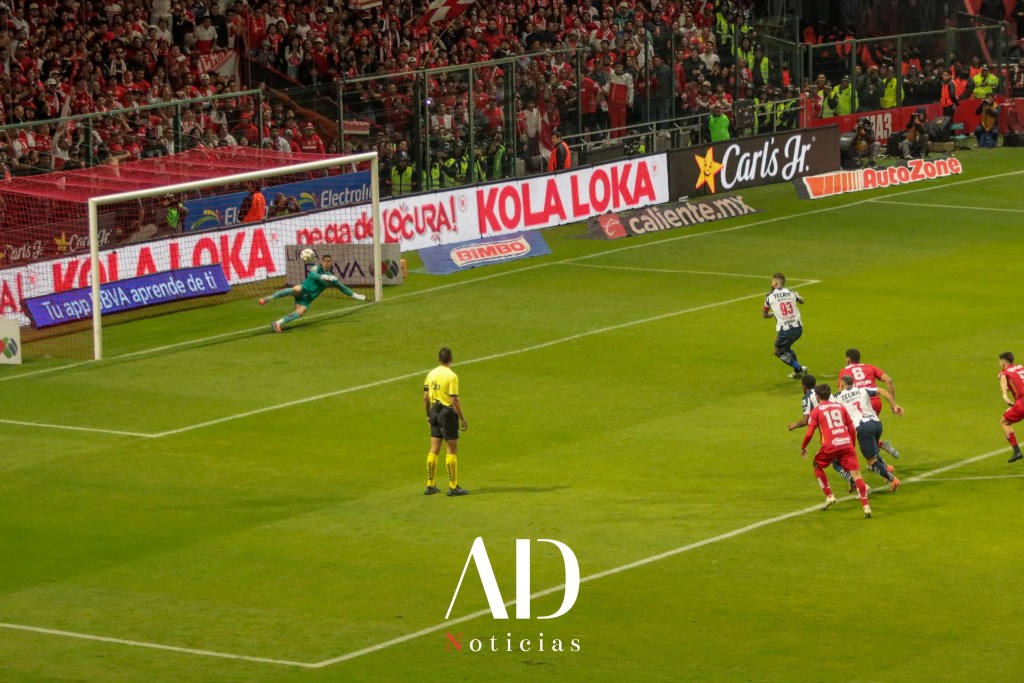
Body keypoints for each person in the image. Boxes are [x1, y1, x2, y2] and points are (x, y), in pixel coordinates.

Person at [800, 384, 873, 518]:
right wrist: (851, 445)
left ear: (817, 396)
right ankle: (866, 506)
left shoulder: (816, 411)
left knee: (816, 465)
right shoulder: (841, 407)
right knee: (857, 476)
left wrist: (803, 446)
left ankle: (829, 495)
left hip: (829, 446)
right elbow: (851, 429)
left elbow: (810, 433)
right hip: (846, 444)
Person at [788, 373, 863, 494]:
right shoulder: (826, 393)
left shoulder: (808, 397)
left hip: (829, 431)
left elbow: (806, 420)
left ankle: (853, 483)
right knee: (840, 458)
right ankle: (856, 481)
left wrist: (795, 425)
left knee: (829, 459)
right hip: (842, 426)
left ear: (803, 386)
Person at [258, 252, 366, 332]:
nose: (327, 263)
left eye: (329, 261)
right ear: (321, 262)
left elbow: (342, 288)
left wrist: (355, 295)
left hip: (307, 299)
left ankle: (277, 323)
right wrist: (323, 276)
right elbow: (312, 275)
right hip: (303, 290)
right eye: (325, 261)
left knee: (301, 312)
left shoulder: (332, 278)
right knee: (296, 289)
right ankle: (267, 298)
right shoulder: (317, 268)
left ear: (331, 263)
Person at [834, 374, 904, 492]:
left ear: (841, 384)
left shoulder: (838, 397)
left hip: (863, 427)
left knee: (871, 460)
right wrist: (894, 405)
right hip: (877, 424)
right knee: (873, 450)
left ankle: (893, 480)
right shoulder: (862, 390)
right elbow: (881, 390)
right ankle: (887, 468)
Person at [423, 346, 469, 496]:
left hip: (434, 411)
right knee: (451, 450)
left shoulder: (430, 374)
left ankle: (430, 485)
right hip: (446, 413)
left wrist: (428, 414)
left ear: (438, 359)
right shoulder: (452, 376)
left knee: (434, 449)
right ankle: (453, 486)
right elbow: (454, 399)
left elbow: (425, 397)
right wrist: (462, 418)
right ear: (451, 359)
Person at [839, 348, 900, 457]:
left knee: (859, 433)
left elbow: (841, 392)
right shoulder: (869, 367)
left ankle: (877, 458)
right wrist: (893, 403)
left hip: (859, 403)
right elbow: (888, 380)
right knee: (867, 431)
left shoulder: (844, 372)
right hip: (876, 402)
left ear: (848, 359)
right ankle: (880, 449)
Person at [763, 272, 808, 379]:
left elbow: (765, 315)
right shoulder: (791, 292)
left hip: (785, 331)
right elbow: (802, 301)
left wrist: (774, 313)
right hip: (798, 329)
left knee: (777, 351)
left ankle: (801, 368)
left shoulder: (769, 297)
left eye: (772, 281)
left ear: (774, 283)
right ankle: (797, 372)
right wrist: (798, 296)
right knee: (787, 349)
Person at [998, 351, 1024, 463]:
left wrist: (1005, 395)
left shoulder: (1004, 372)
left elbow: (1003, 378)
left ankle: (1017, 451)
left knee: (1004, 422)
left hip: (1022, 403)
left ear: (1003, 361)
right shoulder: (1020, 367)